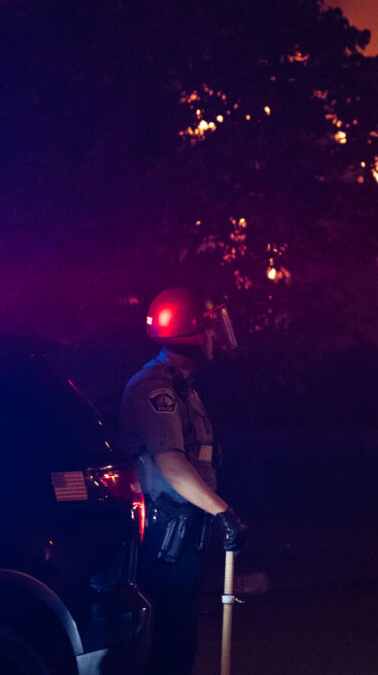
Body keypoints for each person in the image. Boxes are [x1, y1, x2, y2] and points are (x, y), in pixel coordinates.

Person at [121, 286, 247, 675]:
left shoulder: (181, 385)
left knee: (182, 632)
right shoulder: (155, 388)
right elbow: (172, 464)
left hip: (185, 526)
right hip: (165, 532)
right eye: (208, 328)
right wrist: (224, 512)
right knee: (170, 638)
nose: (215, 336)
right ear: (189, 333)